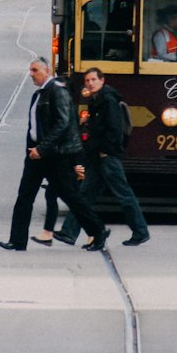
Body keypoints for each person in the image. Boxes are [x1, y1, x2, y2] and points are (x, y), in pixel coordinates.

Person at [0, 60, 109, 252]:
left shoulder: (58, 92)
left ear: (47, 71)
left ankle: (98, 231)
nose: (31, 74)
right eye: (30, 70)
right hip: (36, 155)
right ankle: (17, 240)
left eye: (35, 70)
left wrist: (42, 149)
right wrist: (33, 149)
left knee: (70, 196)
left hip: (54, 155)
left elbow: (63, 124)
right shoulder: (38, 94)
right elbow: (35, 127)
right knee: (25, 196)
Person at [58, 68, 150, 247]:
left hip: (107, 157)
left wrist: (105, 151)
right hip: (97, 157)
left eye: (93, 79)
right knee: (84, 195)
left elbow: (114, 129)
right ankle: (69, 232)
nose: (90, 83)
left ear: (102, 80)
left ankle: (140, 231)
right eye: (87, 80)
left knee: (123, 194)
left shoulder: (108, 100)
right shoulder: (96, 100)